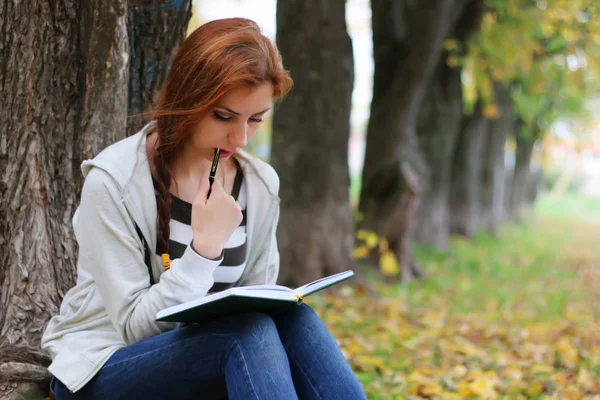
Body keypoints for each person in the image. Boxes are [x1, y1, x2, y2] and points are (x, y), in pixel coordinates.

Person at [41, 18, 367, 400]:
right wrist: (204, 250)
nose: (240, 137)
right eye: (224, 117)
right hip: (107, 365)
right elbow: (134, 327)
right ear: (188, 98)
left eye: (256, 119)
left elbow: (259, 302)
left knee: (292, 317)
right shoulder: (115, 182)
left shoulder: (258, 184)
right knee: (245, 333)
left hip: (210, 356)